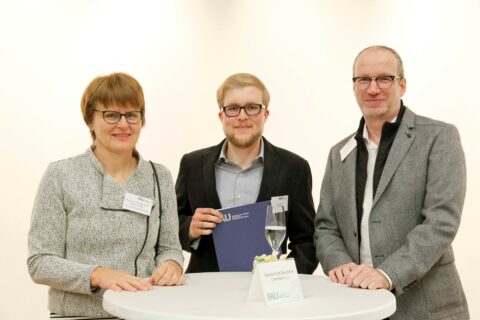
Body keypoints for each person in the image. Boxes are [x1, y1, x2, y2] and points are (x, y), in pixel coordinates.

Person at [314, 45, 469, 319]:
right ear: (354, 86)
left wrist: (388, 274)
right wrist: (339, 263)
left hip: (425, 308)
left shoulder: (439, 138)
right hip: (358, 305)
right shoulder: (339, 153)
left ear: (403, 85)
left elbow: (441, 221)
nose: (373, 88)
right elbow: (326, 225)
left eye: (384, 78)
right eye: (363, 79)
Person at [27, 72, 185, 319]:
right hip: (78, 315)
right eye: (111, 115)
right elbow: (40, 263)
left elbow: (170, 248)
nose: (123, 124)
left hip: (145, 311)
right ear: (90, 120)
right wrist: (98, 275)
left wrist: (171, 265)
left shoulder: (159, 176)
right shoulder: (61, 175)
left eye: (132, 115)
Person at [176, 72, 318, 274]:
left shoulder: (294, 168)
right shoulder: (192, 164)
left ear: (265, 114)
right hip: (204, 291)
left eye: (252, 107)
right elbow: (169, 228)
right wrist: (189, 228)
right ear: (221, 116)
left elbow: (307, 242)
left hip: (268, 296)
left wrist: (284, 278)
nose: (242, 116)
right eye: (233, 108)